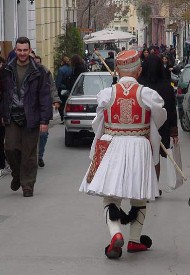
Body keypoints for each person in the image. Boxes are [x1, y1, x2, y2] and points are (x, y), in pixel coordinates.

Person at [79, 49, 167, 259]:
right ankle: (135, 240)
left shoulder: (107, 94)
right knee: (139, 194)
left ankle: (115, 233)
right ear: (138, 71)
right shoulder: (147, 94)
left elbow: (97, 122)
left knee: (111, 195)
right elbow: (160, 116)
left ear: (117, 70)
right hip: (139, 145)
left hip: (112, 144)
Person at [0, 36, 52, 197]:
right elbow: (2, 94)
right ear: (15, 51)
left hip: (32, 116)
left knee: (29, 153)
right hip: (11, 115)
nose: (22, 53)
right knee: (10, 148)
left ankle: (27, 185)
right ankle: (17, 174)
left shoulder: (39, 71)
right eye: (19, 50)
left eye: (25, 50)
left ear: (30, 51)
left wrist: (44, 120)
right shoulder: (6, 70)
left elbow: (45, 96)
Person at [138, 54, 178, 181]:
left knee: (143, 157)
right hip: (161, 126)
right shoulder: (167, 87)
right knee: (156, 156)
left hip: (141, 127)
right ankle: (154, 186)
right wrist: (174, 132)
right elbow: (171, 110)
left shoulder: (139, 86)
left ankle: (143, 186)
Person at [35, 55, 61, 167]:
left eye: (38, 63)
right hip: (29, 110)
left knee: (43, 134)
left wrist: (55, 99)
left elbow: (52, 87)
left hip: (42, 109)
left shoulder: (45, 72)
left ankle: (39, 156)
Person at [55, 56, 72, 123]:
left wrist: (56, 89)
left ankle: (62, 117)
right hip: (69, 89)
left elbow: (58, 81)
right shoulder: (71, 69)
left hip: (62, 89)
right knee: (67, 104)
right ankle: (67, 117)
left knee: (61, 104)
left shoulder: (61, 69)